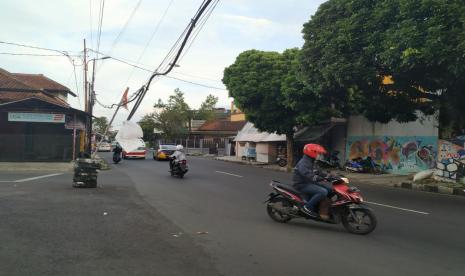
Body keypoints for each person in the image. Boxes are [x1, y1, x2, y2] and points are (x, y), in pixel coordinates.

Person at [292, 143, 332, 218]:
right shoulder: (304, 163)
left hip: (309, 183)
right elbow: (308, 174)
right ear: (312, 153)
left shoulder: (311, 161)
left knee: (330, 189)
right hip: (302, 184)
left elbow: (318, 172)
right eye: (319, 153)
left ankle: (322, 208)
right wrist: (318, 178)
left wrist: (330, 176)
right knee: (323, 191)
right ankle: (307, 207)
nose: (320, 155)